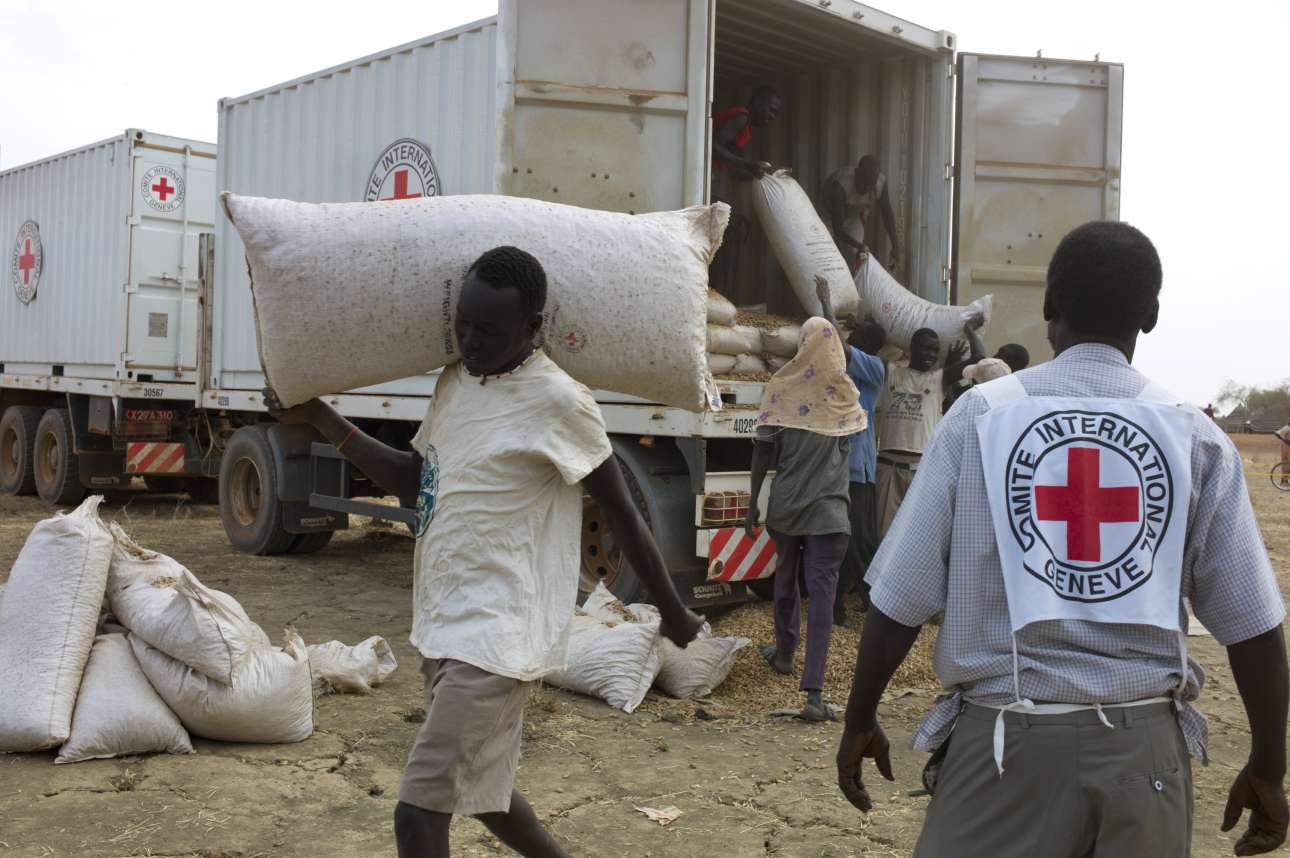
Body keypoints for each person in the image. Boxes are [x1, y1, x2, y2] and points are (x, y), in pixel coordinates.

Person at [835, 222, 1288, 857]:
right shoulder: (1194, 436)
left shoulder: (980, 418)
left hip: (1005, 755)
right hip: (1145, 762)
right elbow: (1254, 627)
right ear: (1151, 316)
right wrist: (1269, 767)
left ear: (1050, 308)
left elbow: (899, 598)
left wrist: (859, 720)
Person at [268, 246, 704, 858]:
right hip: (445, 622)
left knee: (417, 815)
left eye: (489, 331)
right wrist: (320, 417)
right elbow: (415, 481)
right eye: (463, 325)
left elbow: (623, 513)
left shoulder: (560, 400)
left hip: (499, 635)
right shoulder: (455, 382)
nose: (471, 341)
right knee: (480, 791)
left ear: (533, 328)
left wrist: (672, 610)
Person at [745, 308, 865, 722]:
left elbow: (763, 454)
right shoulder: (846, 393)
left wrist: (751, 505)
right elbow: (856, 449)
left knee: (785, 580)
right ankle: (813, 694)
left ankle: (783, 652)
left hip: (787, 507)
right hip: (830, 512)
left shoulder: (781, 389)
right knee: (823, 599)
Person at [811, 278, 886, 625]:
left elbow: (837, 345)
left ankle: (876, 604)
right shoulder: (848, 370)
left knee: (857, 543)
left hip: (857, 469)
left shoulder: (873, 367)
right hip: (844, 468)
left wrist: (826, 303)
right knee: (842, 541)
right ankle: (840, 606)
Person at [874, 324, 975, 537]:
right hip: (888, 467)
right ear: (911, 349)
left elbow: (979, 357)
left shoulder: (939, 379)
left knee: (917, 535)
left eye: (935, 350)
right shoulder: (891, 371)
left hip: (921, 469)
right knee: (884, 537)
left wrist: (969, 330)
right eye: (926, 348)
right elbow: (856, 354)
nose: (930, 355)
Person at [709, 85, 782, 302]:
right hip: (703, 179)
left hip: (713, 179)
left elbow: (735, 167)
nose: (772, 117)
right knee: (730, 229)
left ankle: (719, 292)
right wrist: (749, 165)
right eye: (771, 110)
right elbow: (712, 146)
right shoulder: (741, 117)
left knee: (736, 226)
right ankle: (717, 291)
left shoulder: (746, 128)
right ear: (758, 103)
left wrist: (763, 175)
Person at [823, 155, 900, 274]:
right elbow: (838, 229)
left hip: (853, 215)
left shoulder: (880, 183)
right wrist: (860, 246)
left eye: (870, 185)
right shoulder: (840, 185)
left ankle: (853, 287)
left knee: (856, 255)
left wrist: (895, 246)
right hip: (827, 216)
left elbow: (887, 213)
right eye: (863, 182)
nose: (866, 188)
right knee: (827, 255)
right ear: (856, 173)